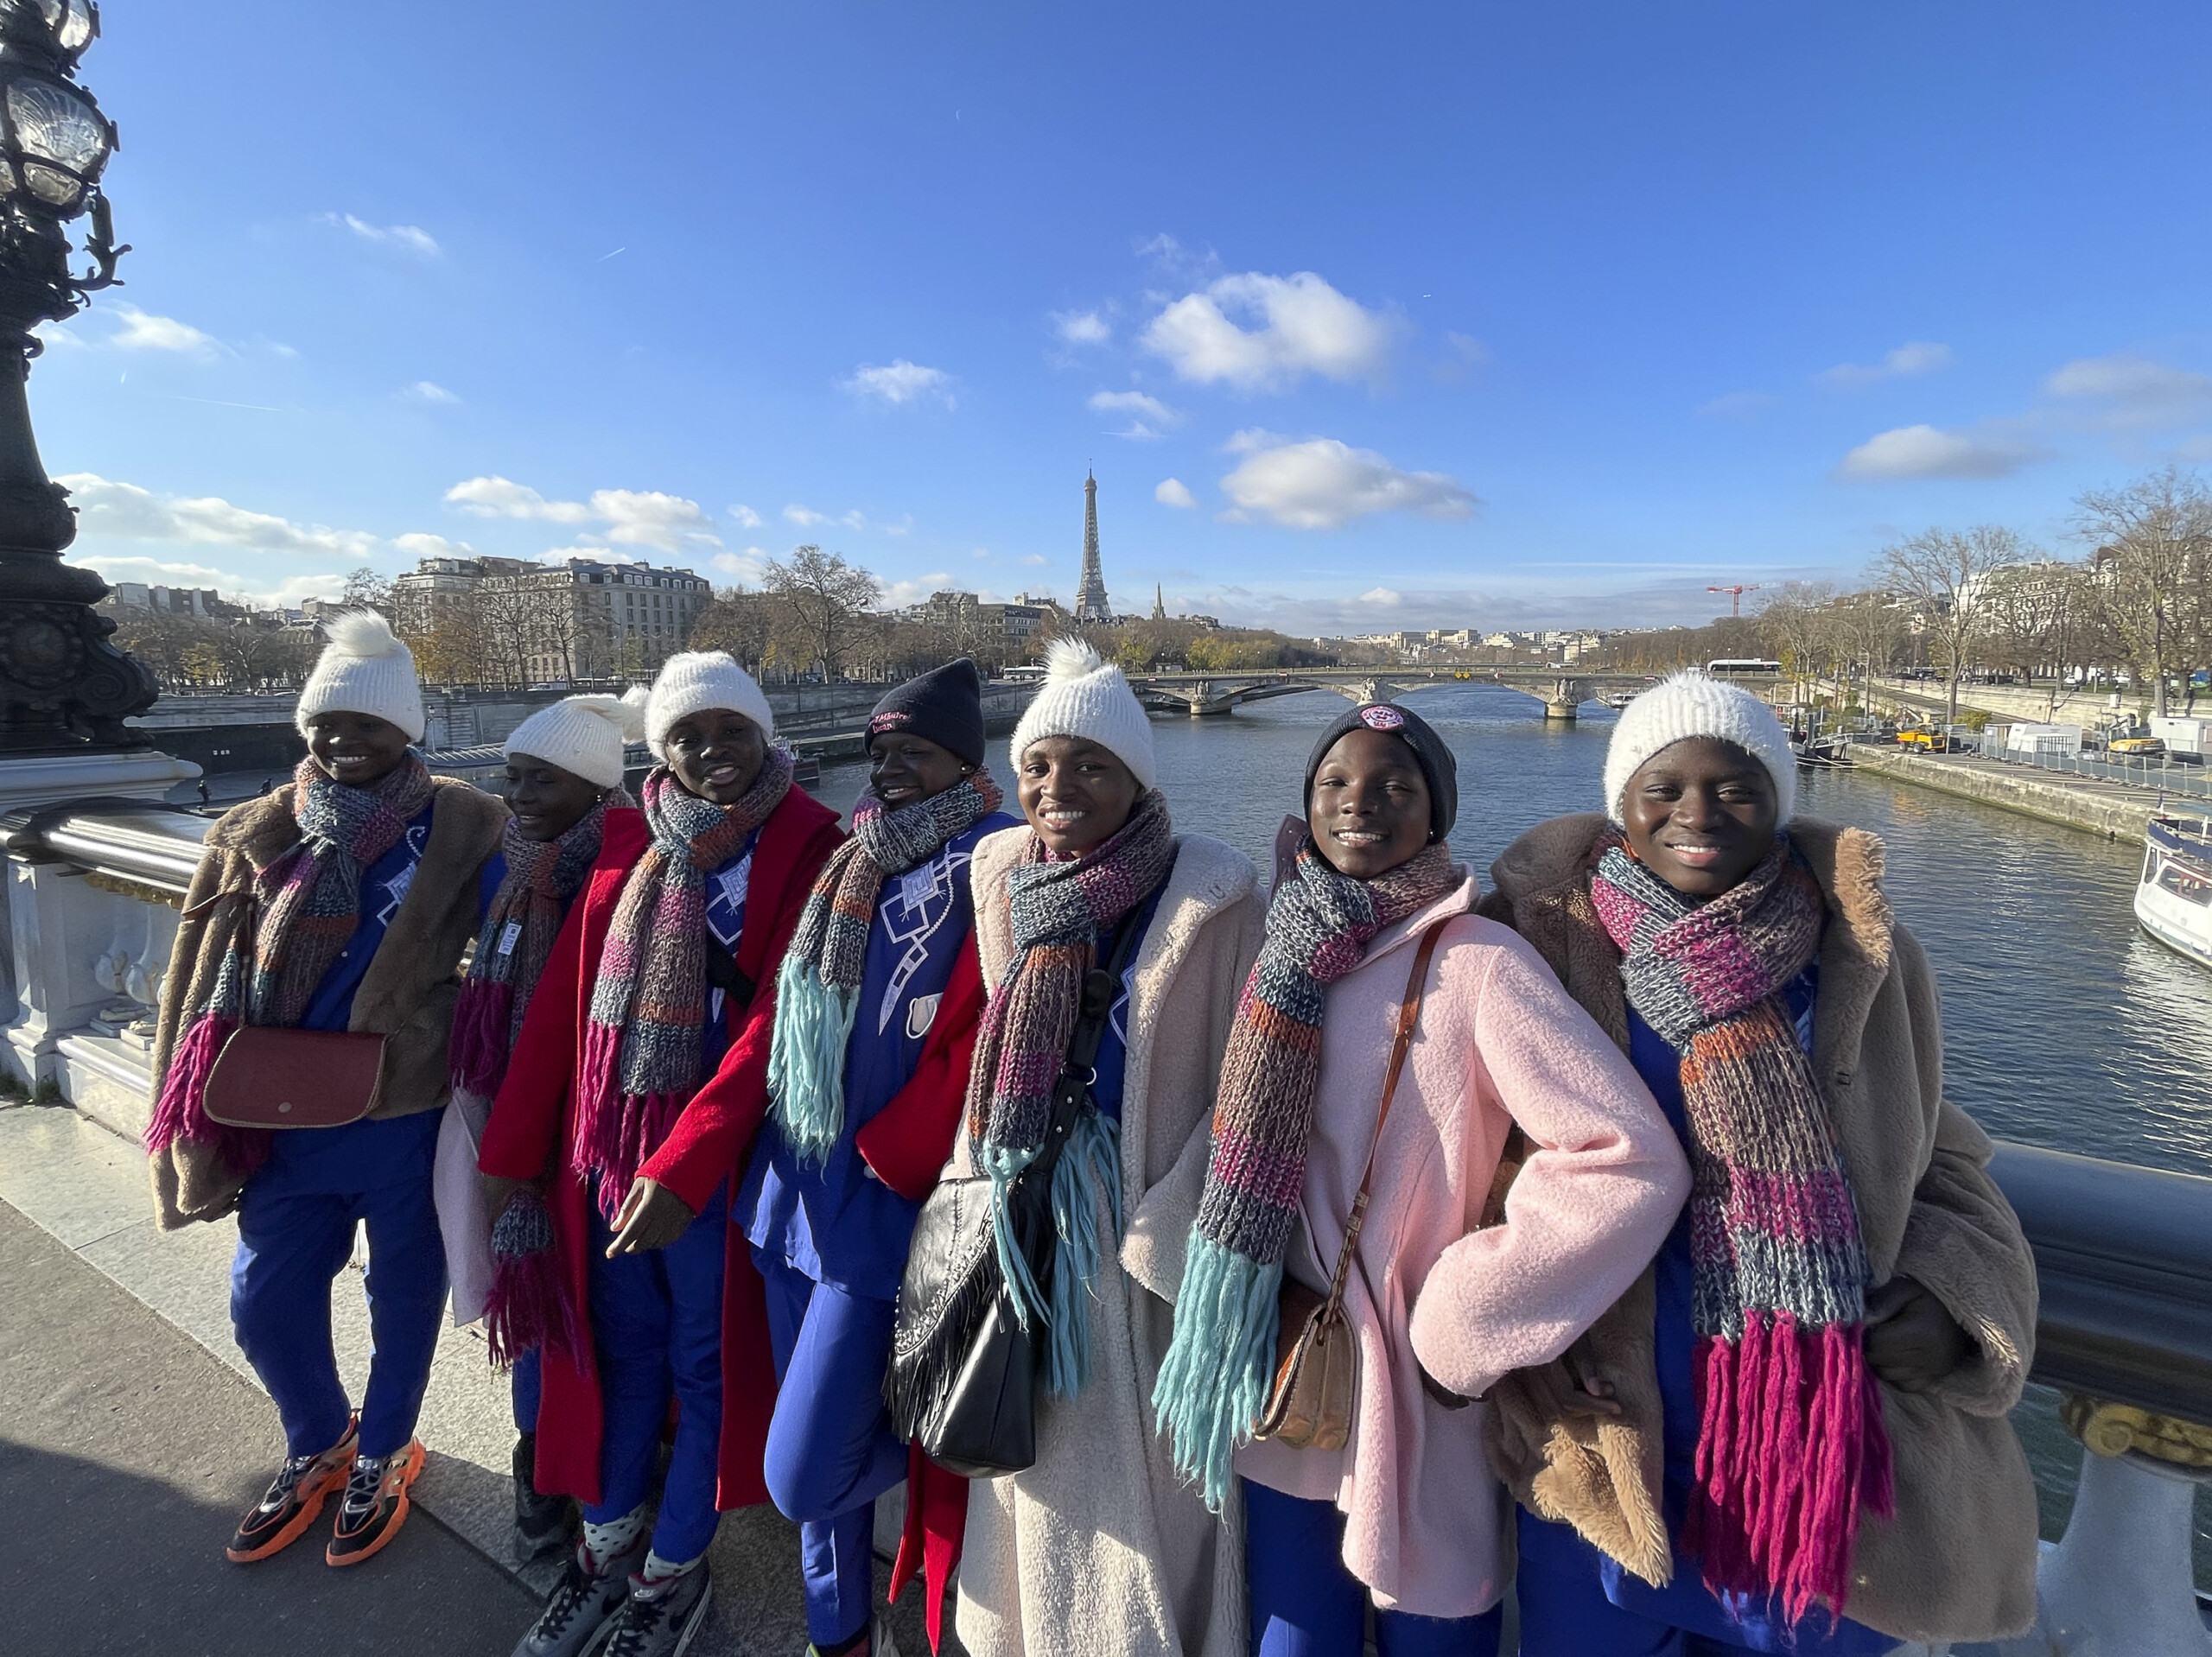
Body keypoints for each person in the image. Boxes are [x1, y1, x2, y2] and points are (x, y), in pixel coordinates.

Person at [1482, 671, 2041, 1654]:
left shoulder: (1865, 953)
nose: (1696, 813)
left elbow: (1935, 1149)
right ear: (1621, 805)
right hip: (1610, 1427)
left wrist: (1959, 1305)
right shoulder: (1540, 943)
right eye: (1663, 786)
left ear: (1779, 803)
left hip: (1806, 1427)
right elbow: (1472, 1167)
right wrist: (1514, 1351)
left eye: (1734, 786)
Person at [1151, 702, 1689, 1657]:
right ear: (1305, 807)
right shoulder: (1288, 949)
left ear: (1435, 818)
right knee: (1292, 1635)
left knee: (1435, 1634)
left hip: (1416, 1382)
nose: (1360, 803)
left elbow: (1626, 1157)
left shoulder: (1479, 963)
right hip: (1284, 1361)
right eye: (1335, 784)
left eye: (1395, 787)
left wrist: (1465, 1319)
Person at [481, 651, 842, 1657]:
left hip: (712, 1171)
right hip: (604, 1157)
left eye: (731, 729)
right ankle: (605, 1549)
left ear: (765, 733)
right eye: (687, 735)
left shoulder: (818, 847)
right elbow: (563, 1008)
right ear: (659, 750)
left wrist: (683, 1166)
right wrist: (513, 1160)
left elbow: (781, 1023)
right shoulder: (630, 846)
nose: (711, 751)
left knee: (701, 1362)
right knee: (618, 1348)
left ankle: (669, 1571)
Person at [146, 611, 507, 1567]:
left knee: (404, 1290)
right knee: (264, 1299)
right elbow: (195, 967)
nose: (344, 739)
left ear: (408, 732)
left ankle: (385, 1446)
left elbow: (525, 930)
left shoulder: (468, 822)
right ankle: (318, 1435)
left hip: (401, 1107)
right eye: (327, 721)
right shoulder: (258, 826)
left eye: (368, 724)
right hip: (275, 1112)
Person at [937, 638, 1267, 1657]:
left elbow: (1249, 1087)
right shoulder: (1002, 880)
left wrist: (1166, 1230)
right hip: (1027, 1233)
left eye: (1089, 765)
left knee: (1157, 1504)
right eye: (1038, 764)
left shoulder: (1219, 897)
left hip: (1144, 1249)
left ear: (1137, 778)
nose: (1056, 786)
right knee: (1033, 1479)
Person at [740, 659, 1019, 1657]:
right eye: (882, 748)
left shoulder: (1000, 861)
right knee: (808, 1455)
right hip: (784, 1191)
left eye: (917, 749)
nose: (892, 766)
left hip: (879, 1207)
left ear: (965, 758)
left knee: (805, 1468)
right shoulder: (849, 857)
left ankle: (939, 1456)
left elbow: (987, 1034)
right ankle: (837, 1629)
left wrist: (889, 1155)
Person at [432, 692, 645, 1564]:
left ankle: (589, 1468)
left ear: (596, 789)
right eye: (514, 773)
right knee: (532, 1301)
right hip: (508, 1118)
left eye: (540, 778)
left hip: (587, 1127)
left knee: (593, 1308)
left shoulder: (629, 872)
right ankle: (539, 1471)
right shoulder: (506, 867)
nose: (516, 792)